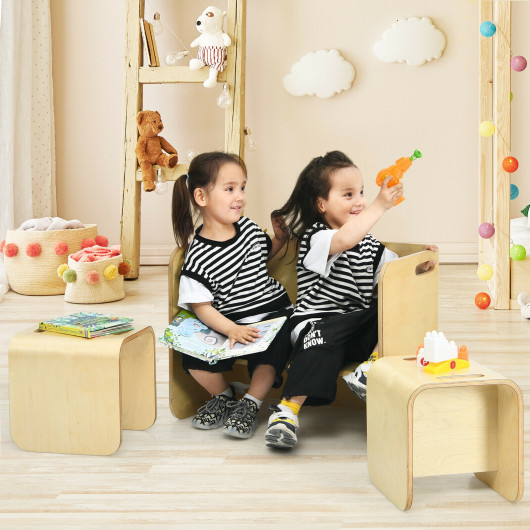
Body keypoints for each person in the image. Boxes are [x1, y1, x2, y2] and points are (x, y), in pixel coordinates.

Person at [264, 151, 436, 449]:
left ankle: (370, 370)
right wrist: (380, 205)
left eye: (362, 193)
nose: (359, 201)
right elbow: (344, 240)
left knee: (395, 307)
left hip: (357, 328)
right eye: (348, 194)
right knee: (318, 340)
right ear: (321, 204)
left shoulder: (372, 247)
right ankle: (286, 412)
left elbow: (394, 279)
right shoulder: (317, 238)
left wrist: (419, 267)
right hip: (319, 324)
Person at [172, 151, 292, 439]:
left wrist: (279, 239)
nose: (240, 197)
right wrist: (231, 329)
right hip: (228, 322)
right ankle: (224, 396)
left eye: (242, 188)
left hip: (271, 313)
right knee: (188, 353)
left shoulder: (248, 228)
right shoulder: (197, 256)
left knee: (275, 350)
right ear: (201, 197)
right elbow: (202, 307)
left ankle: (251, 403)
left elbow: (263, 254)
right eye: (230, 189)